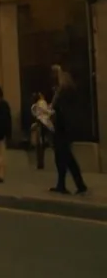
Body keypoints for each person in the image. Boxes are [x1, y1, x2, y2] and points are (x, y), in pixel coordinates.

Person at [49, 65, 88, 195]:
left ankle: (64, 185)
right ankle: (75, 184)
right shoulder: (65, 93)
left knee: (63, 157)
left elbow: (60, 111)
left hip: (62, 129)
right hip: (63, 129)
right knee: (67, 158)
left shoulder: (64, 93)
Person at [29, 92, 53, 170]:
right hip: (44, 123)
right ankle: (41, 162)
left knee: (39, 144)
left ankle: (40, 162)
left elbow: (35, 113)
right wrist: (51, 110)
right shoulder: (42, 102)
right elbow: (46, 112)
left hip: (39, 123)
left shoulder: (34, 106)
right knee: (43, 143)